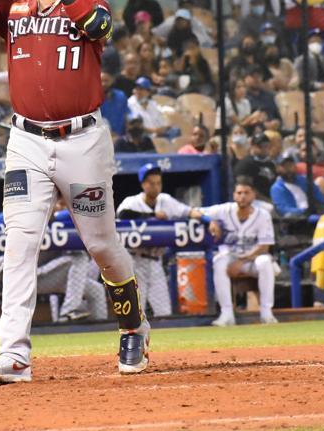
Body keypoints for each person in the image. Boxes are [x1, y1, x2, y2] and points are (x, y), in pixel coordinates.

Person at [0, 0, 150, 381]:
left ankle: (133, 326)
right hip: (27, 141)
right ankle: (14, 355)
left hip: (82, 140)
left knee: (101, 245)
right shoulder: (15, 7)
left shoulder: (89, 4)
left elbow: (98, 25)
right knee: (19, 245)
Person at [116, 163, 203, 318]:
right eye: (151, 183)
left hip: (156, 261)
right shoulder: (132, 202)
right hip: (134, 261)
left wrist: (207, 219)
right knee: (135, 313)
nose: (156, 187)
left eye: (158, 183)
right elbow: (122, 215)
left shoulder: (166, 200)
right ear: (143, 184)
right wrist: (153, 216)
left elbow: (189, 212)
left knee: (164, 312)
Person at [202, 177, 278, 326]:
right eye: (239, 192)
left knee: (265, 262)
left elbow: (264, 247)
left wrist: (241, 262)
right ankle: (227, 314)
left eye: (246, 192)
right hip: (231, 257)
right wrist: (210, 221)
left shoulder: (263, 214)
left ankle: (266, 313)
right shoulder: (224, 210)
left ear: (253, 195)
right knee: (219, 262)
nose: (242, 196)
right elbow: (197, 211)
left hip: (252, 260)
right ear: (234, 195)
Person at [232, 132, 277, 198]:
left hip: (270, 200)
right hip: (252, 201)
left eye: (267, 145)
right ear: (253, 146)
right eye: (261, 146)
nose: (265, 148)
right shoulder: (245, 164)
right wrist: (267, 201)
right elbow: (245, 188)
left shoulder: (270, 164)